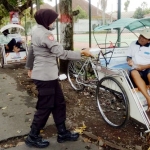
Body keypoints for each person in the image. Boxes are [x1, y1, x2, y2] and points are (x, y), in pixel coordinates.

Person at [25, 9, 93, 148]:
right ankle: (32, 136)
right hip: (45, 77)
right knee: (45, 106)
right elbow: (61, 53)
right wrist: (82, 53)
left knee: (59, 103)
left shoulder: (36, 30)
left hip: (47, 75)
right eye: (53, 19)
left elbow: (32, 49)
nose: (54, 22)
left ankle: (62, 133)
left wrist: (30, 68)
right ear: (46, 19)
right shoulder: (45, 34)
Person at [127, 28, 150, 111]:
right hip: (136, 69)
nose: (141, 38)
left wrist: (143, 67)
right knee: (133, 73)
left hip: (148, 67)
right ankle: (148, 98)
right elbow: (128, 56)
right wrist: (129, 61)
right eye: (141, 36)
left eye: (144, 38)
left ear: (149, 41)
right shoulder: (133, 43)